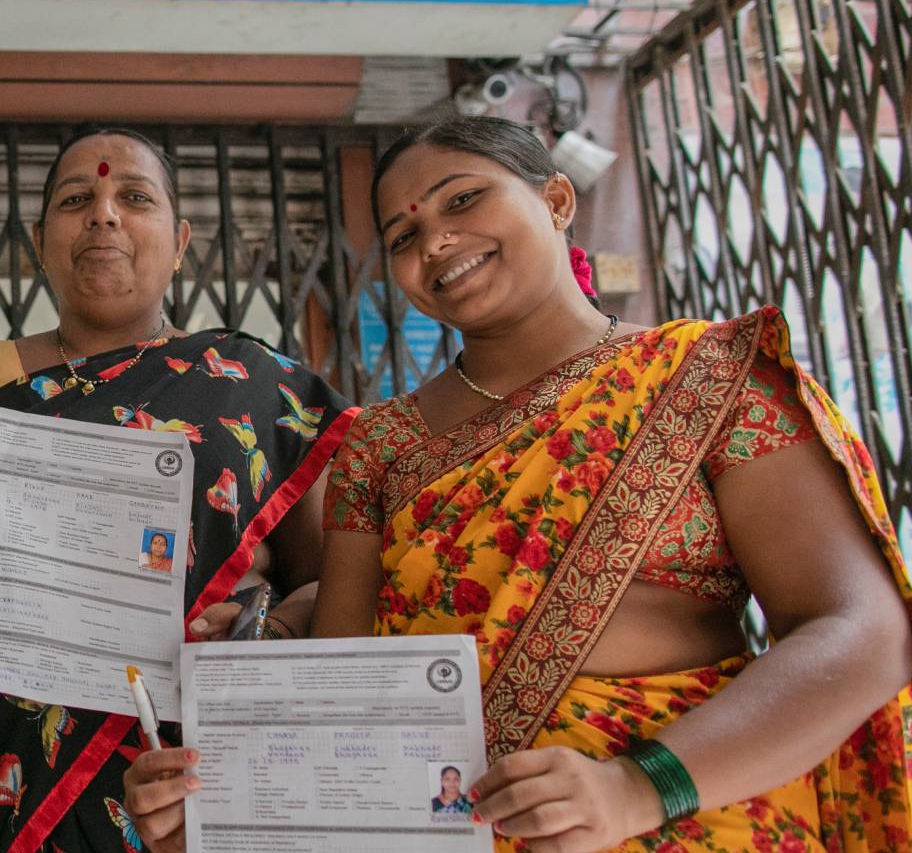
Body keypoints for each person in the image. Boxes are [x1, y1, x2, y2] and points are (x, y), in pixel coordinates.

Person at [123, 116, 912, 853]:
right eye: (404, 235)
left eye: (463, 199)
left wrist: (636, 789)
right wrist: (225, 804)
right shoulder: (383, 445)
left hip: (690, 815)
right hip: (449, 828)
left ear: (557, 199)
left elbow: (861, 631)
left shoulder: (707, 377)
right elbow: (346, 690)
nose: (436, 241)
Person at [0, 128, 354, 853]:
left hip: (183, 778)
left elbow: (338, 584)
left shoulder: (256, 385)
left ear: (179, 240)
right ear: (41, 241)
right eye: (77, 199)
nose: (103, 214)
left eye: (133, 197)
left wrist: (267, 622)